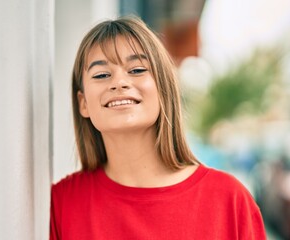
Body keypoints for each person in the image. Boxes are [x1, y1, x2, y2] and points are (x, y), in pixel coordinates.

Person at [50, 16, 266, 240]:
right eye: (102, 75)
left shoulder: (229, 200)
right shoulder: (61, 204)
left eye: (136, 70)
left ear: (163, 88)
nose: (119, 82)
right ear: (83, 103)